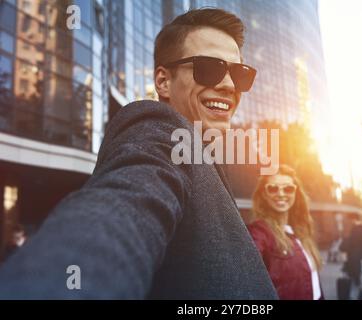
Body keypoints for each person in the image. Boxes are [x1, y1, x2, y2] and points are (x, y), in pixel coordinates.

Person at [0, 8, 278, 299]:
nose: (230, 85)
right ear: (162, 82)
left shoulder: (202, 156)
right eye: (209, 68)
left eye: (239, 73)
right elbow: (127, 200)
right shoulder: (157, 129)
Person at [247, 165, 323, 300]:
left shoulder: (300, 232)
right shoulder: (259, 231)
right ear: (264, 194)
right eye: (272, 188)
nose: (281, 194)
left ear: (296, 193)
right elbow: (244, 267)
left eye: (288, 189)